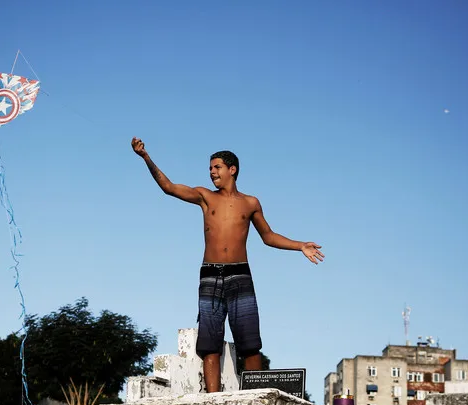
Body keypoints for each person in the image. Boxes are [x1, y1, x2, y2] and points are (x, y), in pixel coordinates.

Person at [131, 138, 324, 392]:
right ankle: (213, 398)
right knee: (209, 341)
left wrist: (299, 245)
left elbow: (268, 236)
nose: (212, 172)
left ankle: (255, 396)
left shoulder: (250, 202)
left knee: (250, 342)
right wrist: (146, 157)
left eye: (217, 167)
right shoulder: (205, 197)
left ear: (232, 169)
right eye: (210, 168)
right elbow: (169, 187)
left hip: (240, 273)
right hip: (210, 274)